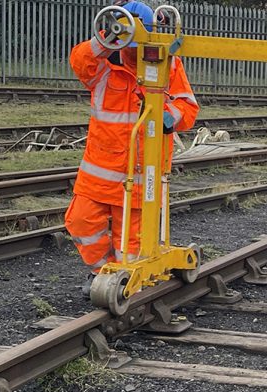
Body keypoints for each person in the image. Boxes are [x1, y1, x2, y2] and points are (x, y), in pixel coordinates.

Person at [66, 0, 199, 296]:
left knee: (133, 246)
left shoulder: (168, 63)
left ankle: (126, 285)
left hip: (142, 177)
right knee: (81, 222)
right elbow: (79, 61)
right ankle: (103, 273)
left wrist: (171, 117)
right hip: (100, 172)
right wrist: (109, 36)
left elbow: (188, 107)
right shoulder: (103, 66)